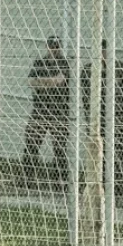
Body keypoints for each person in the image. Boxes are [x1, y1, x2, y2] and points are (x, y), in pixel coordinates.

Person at [80, 40, 123, 201]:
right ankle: (101, 191)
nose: (103, 55)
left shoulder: (119, 67)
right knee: (100, 157)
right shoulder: (89, 70)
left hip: (119, 121)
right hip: (99, 122)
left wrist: (110, 67)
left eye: (105, 52)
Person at [24, 36, 70, 182]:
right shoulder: (40, 62)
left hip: (59, 111)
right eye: (52, 46)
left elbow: (59, 81)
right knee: (31, 142)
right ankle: (28, 178)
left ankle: (59, 180)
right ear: (47, 46)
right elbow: (31, 82)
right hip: (40, 109)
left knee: (59, 147)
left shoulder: (64, 63)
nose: (54, 49)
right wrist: (49, 82)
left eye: (57, 46)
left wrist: (41, 82)